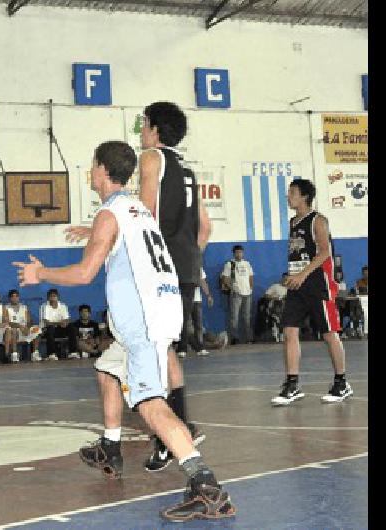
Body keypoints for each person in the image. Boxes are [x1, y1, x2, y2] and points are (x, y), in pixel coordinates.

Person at [14, 141, 234, 521]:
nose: (91, 171)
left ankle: (206, 486)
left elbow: (84, 274)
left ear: (100, 169)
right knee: (107, 370)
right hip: (159, 311)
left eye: (92, 165)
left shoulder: (110, 213)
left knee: (150, 404)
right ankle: (110, 446)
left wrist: (42, 274)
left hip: (144, 321)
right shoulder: (138, 211)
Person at [131, 101, 209, 471]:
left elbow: (144, 215)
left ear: (155, 129)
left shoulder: (150, 158)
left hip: (159, 269)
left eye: (143, 124)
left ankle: (168, 434)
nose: (141, 131)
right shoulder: (190, 171)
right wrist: (185, 256)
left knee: (152, 350)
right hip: (186, 267)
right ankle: (180, 424)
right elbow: (204, 229)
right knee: (164, 348)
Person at [272, 179, 353, 406]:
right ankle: (292, 384)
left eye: (292, 193)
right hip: (298, 285)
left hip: (318, 284)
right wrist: (291, 276)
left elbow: (325, 252)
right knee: (289, 331)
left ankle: (341, 382)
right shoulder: (292, 222)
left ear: (304, 196)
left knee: (329, 333)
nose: (288, 196)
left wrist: (302, 275)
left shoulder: (318, 220)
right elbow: (300, 255)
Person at [220, 245, 255, 345]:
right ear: (234, 253)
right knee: (234, 317)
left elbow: (251, 277)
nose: (239, 254)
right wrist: (232, 288)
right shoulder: (230, 264)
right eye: (237, 252)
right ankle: (235, 338)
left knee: (247, 317)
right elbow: (224, 278)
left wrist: (251, 288)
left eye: (241, 252)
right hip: (236, 294)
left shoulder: (247, 264)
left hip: (247, 293)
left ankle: (248, 338)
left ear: (243, 253)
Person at [5, 289, 41, 362]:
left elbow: (29, 321)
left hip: (25, 329)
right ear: (10, 298)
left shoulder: (24, 307)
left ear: (18, 297)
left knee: (37, 329)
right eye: (13, 296)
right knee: (13, 331)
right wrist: (20, 326)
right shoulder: (6, 308)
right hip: (13, 329)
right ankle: (14, 355)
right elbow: (8, 322)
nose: (15, 298)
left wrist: (27, 328)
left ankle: (35, 354)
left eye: (16, 296)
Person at [39, 289, 71, 360]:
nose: (53, 298)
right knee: (51, 328)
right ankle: (51, 354)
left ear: (58, 297)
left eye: (54, 296)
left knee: (71, 327)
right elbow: (47, 322)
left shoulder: (63, 306)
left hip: (59, 329)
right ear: (48, 298)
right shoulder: (44, 306)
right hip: (46, 331)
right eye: (51, 296)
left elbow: (67, 319)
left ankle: (73, 352)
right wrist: (60, 323)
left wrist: (65, 323)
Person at [188, 267, 213, 357]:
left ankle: (200, 347)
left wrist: (208, 295)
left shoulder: (198, 267)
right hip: (185, 299)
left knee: (199, 325)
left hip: (197, 300)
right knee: (187, 326)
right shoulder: (182, 264)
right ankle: (190, 346)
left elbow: (203, 281)